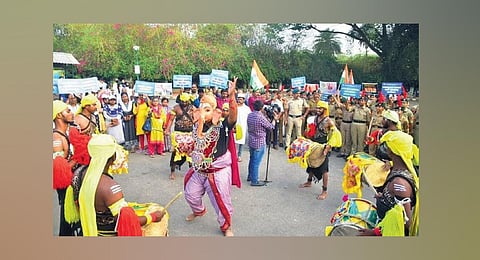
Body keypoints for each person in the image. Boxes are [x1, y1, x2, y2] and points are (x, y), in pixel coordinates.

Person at [75, 134, 166, 236]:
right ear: (113, 156)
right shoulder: (110, 188)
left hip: (85, 230)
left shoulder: (78, 173)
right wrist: (153, 217)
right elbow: (127, 222)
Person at [183, 77, 239, 237]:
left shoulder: (223, 125)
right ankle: (199, 211)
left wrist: (232, 95)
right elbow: (196, 143)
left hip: (218, 170)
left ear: (215, 112)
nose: (202, 113)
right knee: (190, 194)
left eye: (206, 110)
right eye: (200, 109)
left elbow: (234, 115)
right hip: (200, 169)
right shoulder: (196, 125)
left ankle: (226, 226)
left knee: (222, 201)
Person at [358, 130, 419, 236]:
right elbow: (395, 204)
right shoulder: (400, 171)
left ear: (391, 151)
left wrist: (374, 232)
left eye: (387, 147)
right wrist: (384, 198)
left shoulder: (399, 183)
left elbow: (406, 222)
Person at [299, 101, 338, 200]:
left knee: (324, 170)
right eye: (317, 108)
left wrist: (328, 146)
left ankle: (324, 191)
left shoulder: (329, 121)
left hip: (322, 146)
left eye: (320, 108)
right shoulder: (314, 118)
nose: (318, 110)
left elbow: (335, 135)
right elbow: (310, 130)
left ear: (325, 110)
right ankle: (309, 181)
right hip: (313, 144)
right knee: (311, 164)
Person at [164, 92, 195, 180]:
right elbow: (170, 120)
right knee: (176, 152)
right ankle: (172, 171)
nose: (184, 103)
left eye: (186, 102)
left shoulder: (193, 108)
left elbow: (197, 118)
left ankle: (192, 172)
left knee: (190, 153)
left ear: (189, 101)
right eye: (182, 101)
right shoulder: (176, 108)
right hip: (178, 133)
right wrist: (167, 129)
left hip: (189, 133)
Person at [247, 99, 277, 186]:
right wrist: (274, 119)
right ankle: (254, 180)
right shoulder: (260, 117)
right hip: (259, 141)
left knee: (252, 159)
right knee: (256, 162)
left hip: (251, 139)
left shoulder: (250, 115)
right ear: (261, 107)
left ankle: (250, 176)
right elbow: (271, 127)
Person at [234, 93, 251, 162]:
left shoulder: (247, 108)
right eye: (238, 98)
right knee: (233, 141)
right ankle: (233, 155)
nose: (239, 100)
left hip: (243, 126)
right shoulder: (234, 107)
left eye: (241, 99)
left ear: (244, 100)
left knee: (241, 142)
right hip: (234, 126)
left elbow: (250, 117)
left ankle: (239, 155)